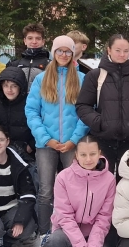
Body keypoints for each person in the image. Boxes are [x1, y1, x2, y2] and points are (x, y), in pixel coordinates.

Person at [25, 35, 89, 234]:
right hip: (46, 144)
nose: (63, 54)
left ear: (73, 53)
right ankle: (45, 234)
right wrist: (46, 139)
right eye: (59, 50)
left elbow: (87, 112)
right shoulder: (41, 79)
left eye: (68, 51)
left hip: (72, 144)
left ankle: (73, 231)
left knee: (74, 190)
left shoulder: (81, 79)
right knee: (45, 190)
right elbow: (31, 111)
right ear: (53, 52)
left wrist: (74, 139)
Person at [43, 135, 117, 247]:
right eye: (83, 154)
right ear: (76, 155)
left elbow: (104, 218)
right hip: (67, 230)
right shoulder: (63, 177)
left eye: (92, 154)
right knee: (54, 244)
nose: (88, 159)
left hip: (93, 232)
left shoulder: (109, 179)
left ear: (100, 153)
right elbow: (65, 216)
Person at [75, 34, 129, 179]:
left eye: (126, 51)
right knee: (101, 183)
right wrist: (99, 122)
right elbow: (83, 106)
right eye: (118, 50)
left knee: (128, 184)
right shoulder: (95, 76)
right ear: (109, 50)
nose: (122, 54)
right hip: (102, 141)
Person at [0, 67, 35, 162]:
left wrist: (30, 146)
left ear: (20, 87)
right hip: (2, 151)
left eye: (14, 86)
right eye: (6, 86)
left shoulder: (30, 103)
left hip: (26, 152)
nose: (9, 90)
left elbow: (39, 126)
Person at [8, 23, 50, 88]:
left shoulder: (50, 65)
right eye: (30, 38)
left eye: (38, 38)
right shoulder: (14, 64)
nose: (34, 42)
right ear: (25, 41)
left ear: (43, 41)